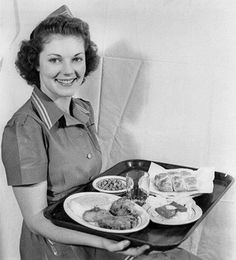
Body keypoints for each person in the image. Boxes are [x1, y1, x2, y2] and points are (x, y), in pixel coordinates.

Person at [1, 5, 202, 260]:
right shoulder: (24, 127)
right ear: (36, 64)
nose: (68, 70)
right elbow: (36, 221)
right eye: (54, 59)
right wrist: (105, 241)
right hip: (58, 248)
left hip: (94, 226)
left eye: (76, 58)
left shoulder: (83, 109)